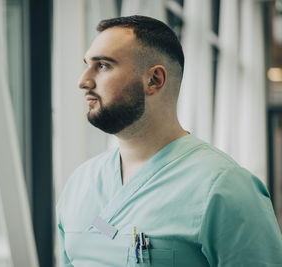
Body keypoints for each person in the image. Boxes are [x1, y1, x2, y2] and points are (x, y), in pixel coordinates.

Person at [56, 15, 282, 267]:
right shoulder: (79, 184)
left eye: (103, 65)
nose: (83, 81)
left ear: (154, 80)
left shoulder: (225, 189)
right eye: (87, 64)